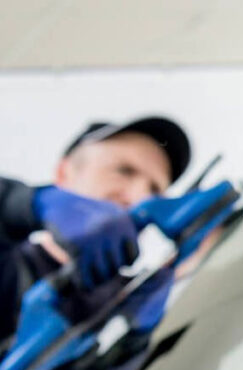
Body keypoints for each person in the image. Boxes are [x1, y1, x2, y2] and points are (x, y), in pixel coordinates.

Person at [0, 116, 190, 341]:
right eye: (124, 170)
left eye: (155, 190)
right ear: (64, 174)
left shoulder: (129, 309)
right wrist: (22, 202)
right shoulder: (9, 268)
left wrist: (134, 343)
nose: (140, 196)